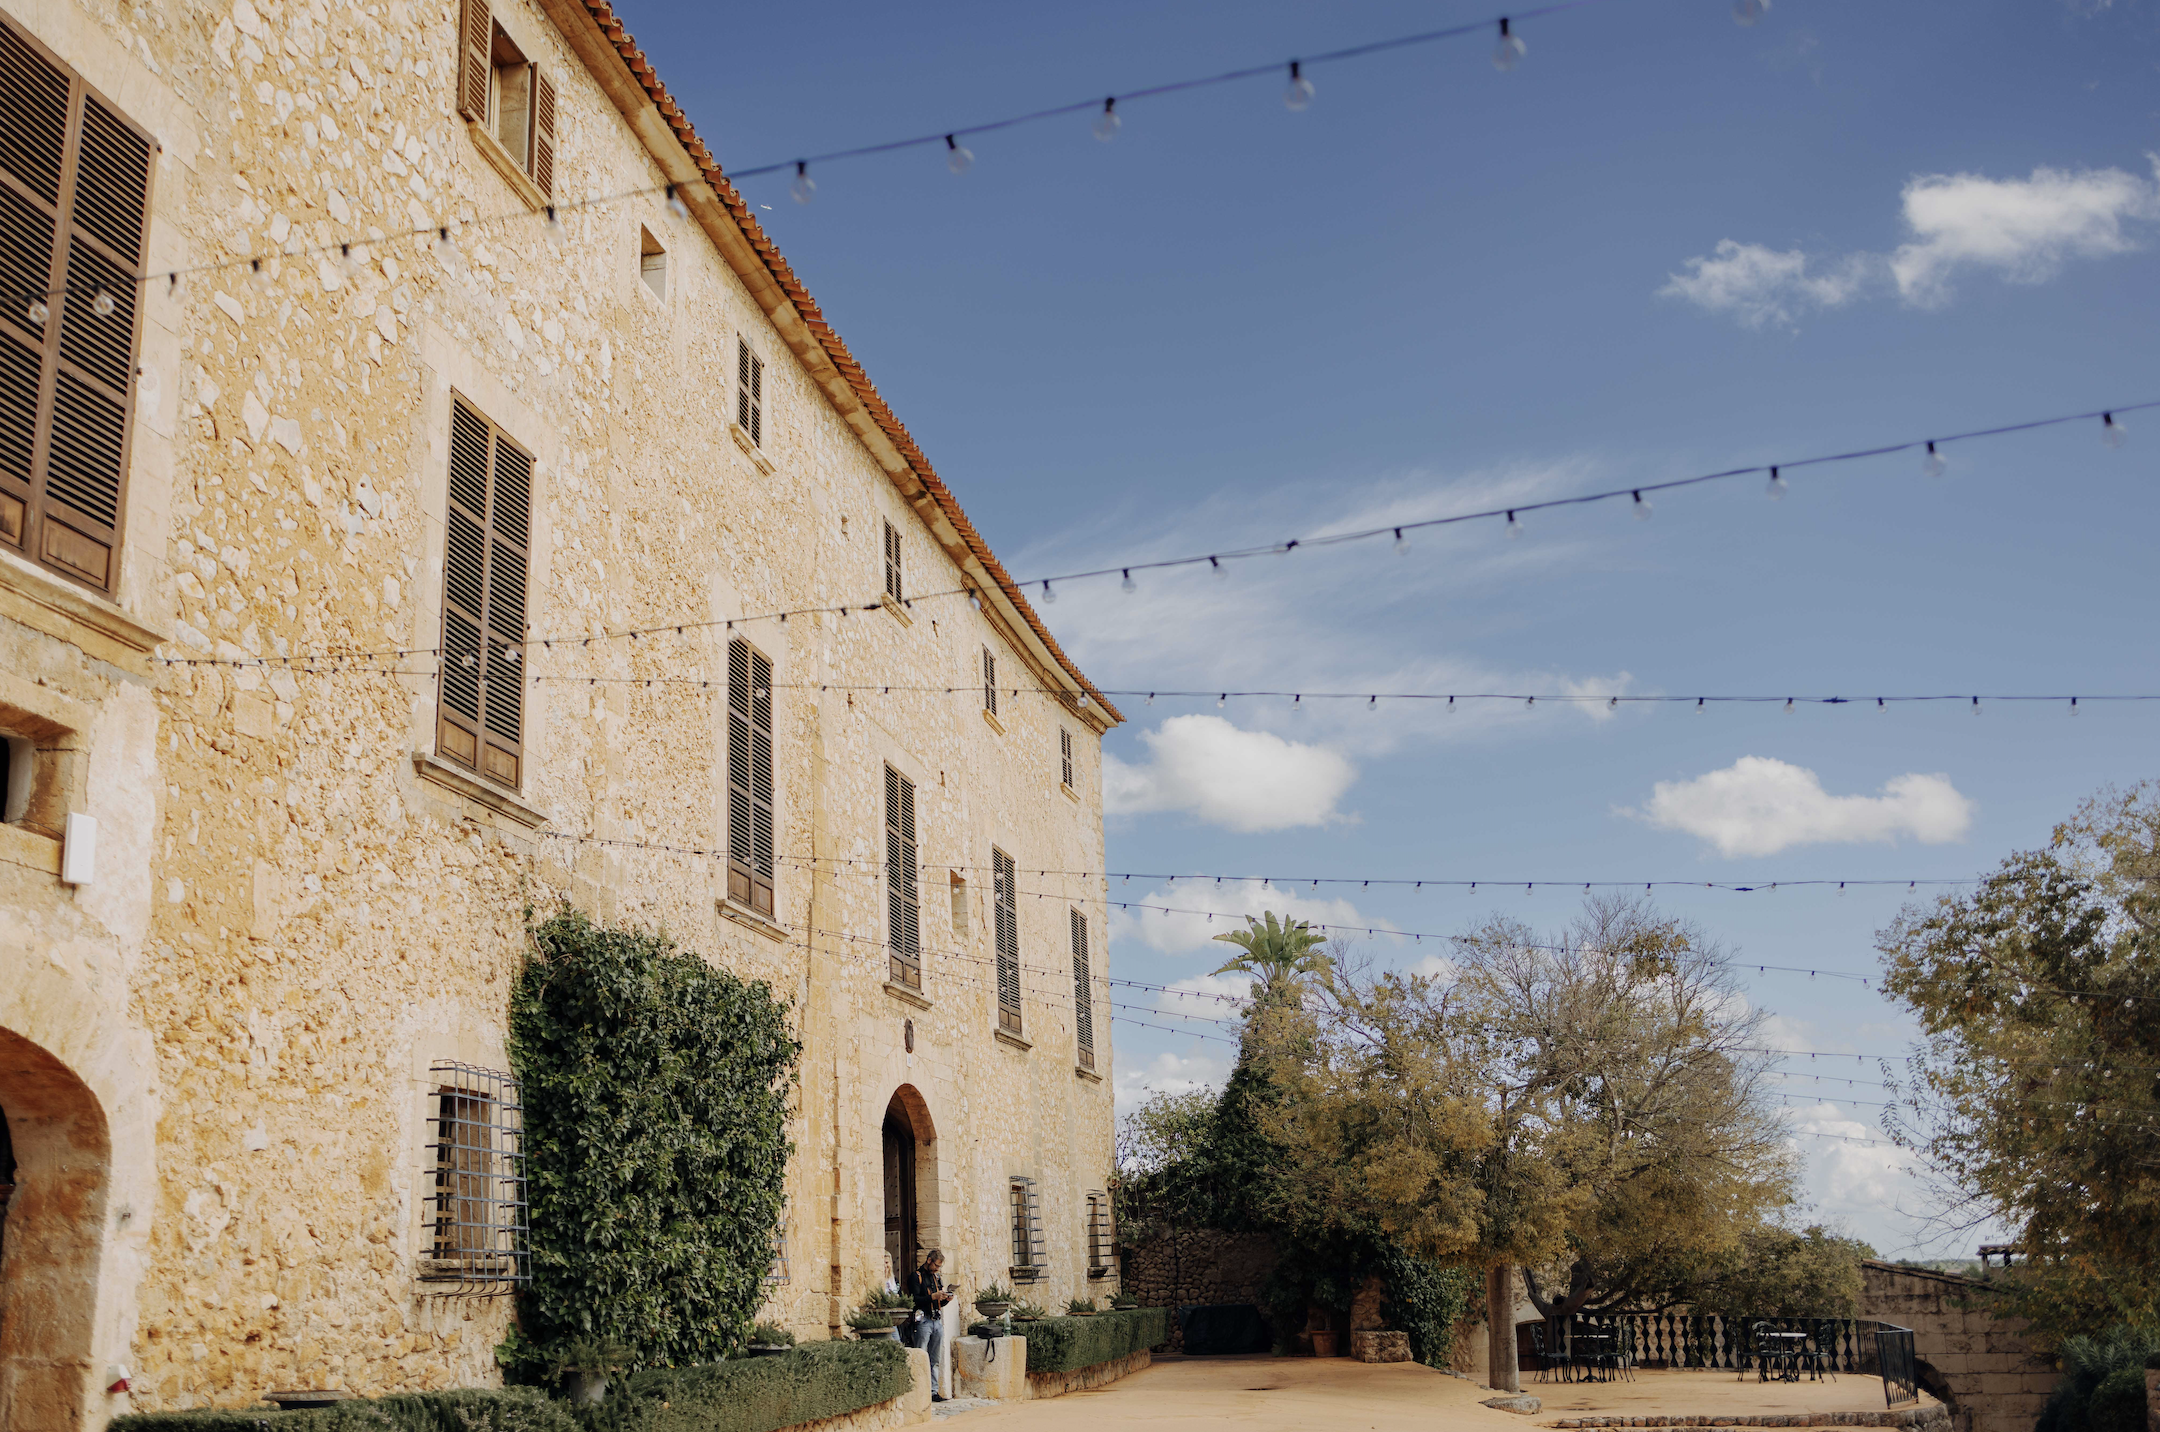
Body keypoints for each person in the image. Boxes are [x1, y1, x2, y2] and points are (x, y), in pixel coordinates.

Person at [904, 1248, 956, 1402]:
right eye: (936, 1265)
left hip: (936, 1320)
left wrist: (946, 1299)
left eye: (939, 1267)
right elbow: (914, 1300)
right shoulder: (916, 1276)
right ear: (929, 1260)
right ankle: (919, 1389)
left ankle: (933, 1391)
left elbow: (938, 1301)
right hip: (923, 1321)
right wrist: (932, 1296)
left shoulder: (936, 1277)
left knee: (935, 1359)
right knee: (920, 1356)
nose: (937, 1269)